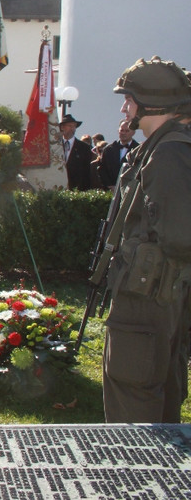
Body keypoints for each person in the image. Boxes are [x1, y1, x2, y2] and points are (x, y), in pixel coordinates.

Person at [101, 56, 191, 424]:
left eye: (130, 99)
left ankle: (133, 462)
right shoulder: (162, 147)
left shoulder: (168, 153)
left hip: (149, 296)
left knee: (133, 396)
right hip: (155, 293)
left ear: (151, 103)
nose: (125, 108)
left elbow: (180, 237)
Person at [98, 120, 139, 190]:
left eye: (127, 131)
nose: (123, 133)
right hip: (110, 189)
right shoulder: (108, 149)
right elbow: (102, 169)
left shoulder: (138, 149)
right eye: (121, 130)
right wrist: (110, 185)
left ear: (133, 132)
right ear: (118, 131)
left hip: (130, 189)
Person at [60, 112, 93, 191]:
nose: (72, 129)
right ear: (62, 127)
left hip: (76, 189)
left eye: (74, 126)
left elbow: (87, 171)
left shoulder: (84, 147)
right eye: (69, 126)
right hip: (58, 186)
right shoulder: (56, 145)